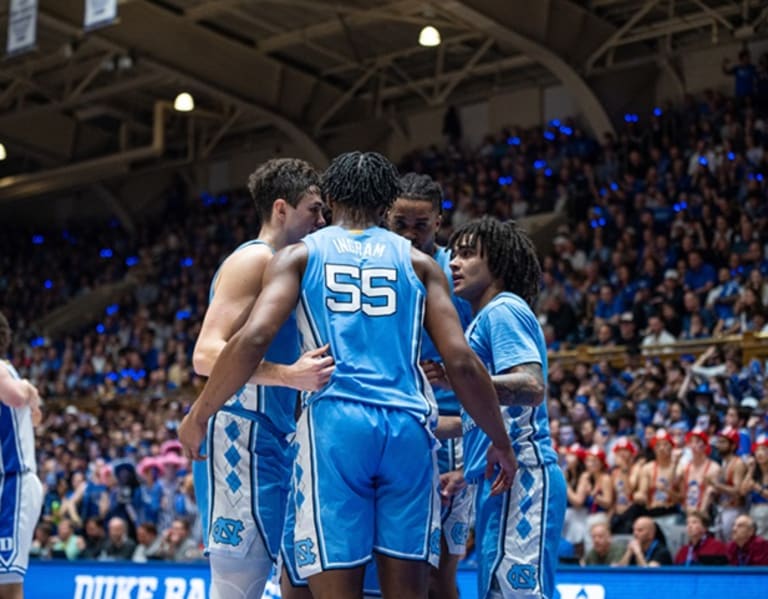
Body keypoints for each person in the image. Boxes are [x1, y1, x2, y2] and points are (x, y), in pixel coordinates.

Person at [178, 151, 516, 599]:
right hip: (406, 427)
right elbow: (461, 362)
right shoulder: (420, 264)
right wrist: (499, 440)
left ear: (331, 198)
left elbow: (253, 337)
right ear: (387, 204)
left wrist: (201, 412)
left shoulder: (300, 255)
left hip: (335, 427)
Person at [189, 157, 333, 599]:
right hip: (240, 437)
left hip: (273, 437)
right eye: (313, 209)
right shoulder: (255, 260)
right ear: (281, 208)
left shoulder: (289, 265)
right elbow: (205, 354)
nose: (322, 220)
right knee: (237, 589)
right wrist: (287, 375)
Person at [448, 216, 566, 599]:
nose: (453, 263)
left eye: (466, 255)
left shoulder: (503, 310)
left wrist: (461, 380)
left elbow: (531, 387)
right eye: (452, 254)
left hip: (524, 474)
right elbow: (480, 413)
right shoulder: (483, 319)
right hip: (496, 479)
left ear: (496, 261)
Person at [387, 172, 473, 599]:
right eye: (400, 223)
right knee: (389, 566)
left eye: (420, 224)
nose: (409, 234)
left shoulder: (458, 275)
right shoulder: (376, 265)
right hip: (390, 428)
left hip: (449, 428)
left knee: (438, 573)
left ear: (438, 222)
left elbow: (478, 357)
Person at [0, 312, 43, 599]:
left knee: (7, 584)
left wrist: (28, 389)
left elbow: (15, 396)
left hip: (14, 483)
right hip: (7, 483)